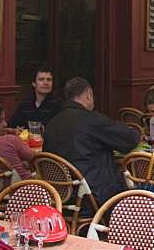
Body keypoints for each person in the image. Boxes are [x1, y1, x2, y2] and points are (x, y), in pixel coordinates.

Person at [42, 77, 140, 215]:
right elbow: (130, 139)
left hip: (60, 197)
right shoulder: (91, 120)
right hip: (93, 197)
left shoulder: (52, 124)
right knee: (143, 193)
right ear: (88, 94)